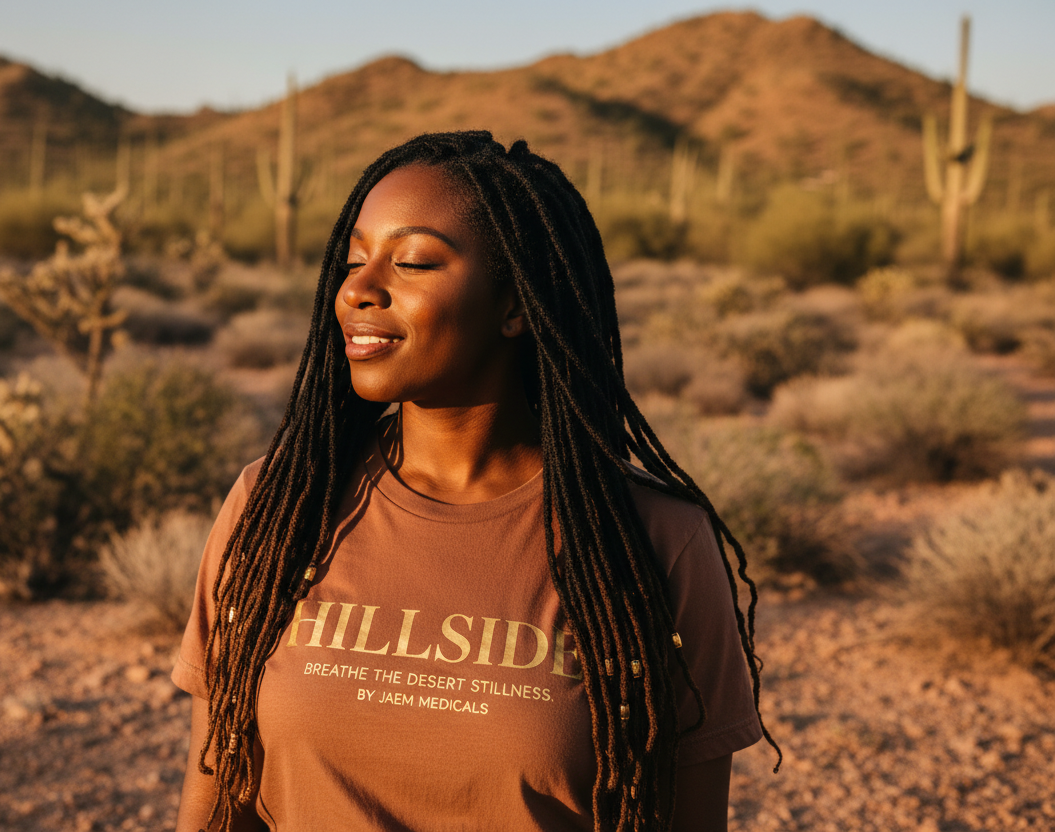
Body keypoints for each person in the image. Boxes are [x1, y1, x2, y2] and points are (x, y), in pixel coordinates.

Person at [172, 131, 778, 832]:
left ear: (518, 304)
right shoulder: (280, 505)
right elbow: (217, 796)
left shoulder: (651, 539)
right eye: (354, 260)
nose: (359, 290)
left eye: (414, 261)